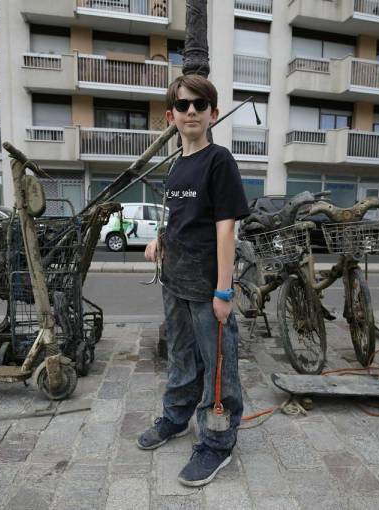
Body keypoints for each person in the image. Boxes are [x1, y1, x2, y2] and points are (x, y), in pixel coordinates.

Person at [136, 74, 249, 487]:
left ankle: (217, 444)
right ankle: (177, 418)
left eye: (200, 105)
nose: (191, 112)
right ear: (171, 116)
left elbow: (224, 231)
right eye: (183, 106)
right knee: (181, 359)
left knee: (219, 367)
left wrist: (223, 291)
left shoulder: (219, 161)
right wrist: (160, 239)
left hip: (207, 288)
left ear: (213, 113)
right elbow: (183, 218)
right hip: (175, 281)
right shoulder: (177, 166)